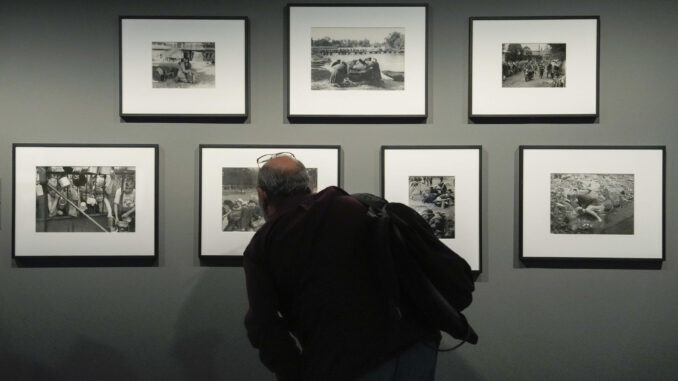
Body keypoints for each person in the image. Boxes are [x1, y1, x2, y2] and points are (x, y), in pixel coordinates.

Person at [244, 154, 439, 381]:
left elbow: (264, 325)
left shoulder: (263, 244)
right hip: (415, 345)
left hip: (349, 362)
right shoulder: (357, 206)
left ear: (262, 194)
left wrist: (293, 373)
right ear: (309, 185)